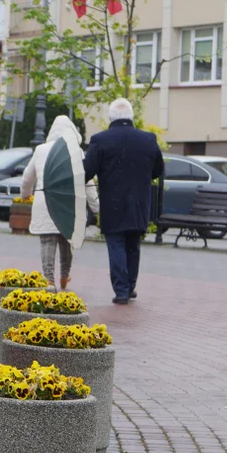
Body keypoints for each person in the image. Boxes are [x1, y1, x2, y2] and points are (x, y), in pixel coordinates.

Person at [83, 98, 164, 304]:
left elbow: (87, 171)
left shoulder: (100, 140)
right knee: (133, 244)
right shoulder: (148, 139)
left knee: (116, 243)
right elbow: (158, 170)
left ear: (111, 118)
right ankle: (130, 285)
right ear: (131, 116)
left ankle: (121, 290)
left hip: (113, 202)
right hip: (139, 202)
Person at [21, 115, 100, 291]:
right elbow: (86, 181)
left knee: (47, 241)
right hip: (68, 202)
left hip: (45, 199)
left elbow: (27, 177)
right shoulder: (75, 152)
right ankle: (65, 276)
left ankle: (49, 280)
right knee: (67, 240)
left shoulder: (40, 150)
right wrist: (95, 205)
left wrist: (25, 195)